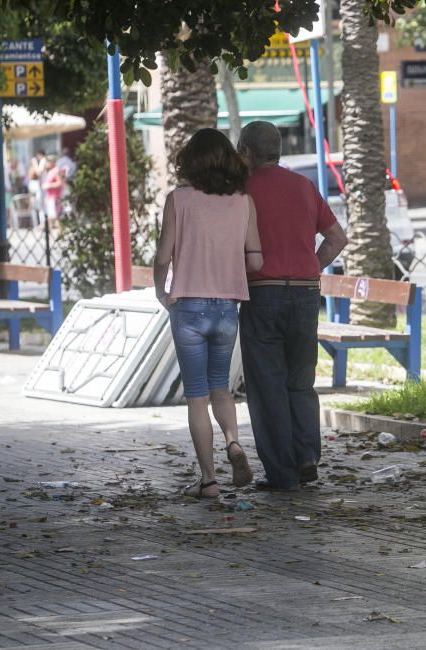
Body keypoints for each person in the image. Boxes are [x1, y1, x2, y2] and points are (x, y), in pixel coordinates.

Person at [236, 121, 348, 490]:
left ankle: (281, 473)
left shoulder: (241, 191)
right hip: (304, 293)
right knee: (300, 381)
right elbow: (336, 237)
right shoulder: (303, 185)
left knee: (267, 384)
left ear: (247, 152)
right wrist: (311, 265)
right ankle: (305, 457)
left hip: (262, 292)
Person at [153, 128, 264, 498]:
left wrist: (161, 290)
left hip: (188, 307)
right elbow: (256, 257)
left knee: (196, 396)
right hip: (227, 308)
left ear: (191, 161)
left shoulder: (179, 200)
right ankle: (233, 443)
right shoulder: (242, 201)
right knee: (221, 388)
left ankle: (209, 481)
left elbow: (162, 256)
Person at [41, 157, 64, 223]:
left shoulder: (56, 171)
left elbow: (60, 183)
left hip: (55, 197)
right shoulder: (50, 171)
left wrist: (48, 185)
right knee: (51, 217)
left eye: (47, 162)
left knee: (55, 217)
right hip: (50, 197)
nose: (46, 164)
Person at [27, 149, 46, 215]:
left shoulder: (43, 161)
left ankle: (41, 222)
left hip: (41, 185)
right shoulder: (41, 162)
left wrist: (34, 163)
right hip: (38, 185)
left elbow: (39, 173)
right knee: (36, 204)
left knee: (40, 205)